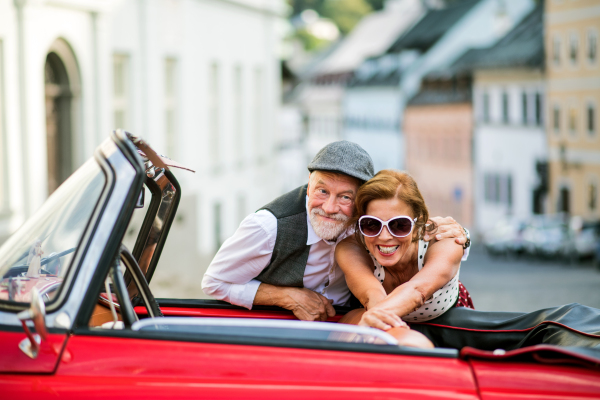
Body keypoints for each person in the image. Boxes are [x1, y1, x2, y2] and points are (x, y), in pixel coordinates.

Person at [202, 141, 469, 321]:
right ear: (308, 185)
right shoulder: (267, 227)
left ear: (362, 203)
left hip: (368, 319)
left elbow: (406, 223)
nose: (329, 207)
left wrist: (460, 234)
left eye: (345, 197)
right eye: (321, 191)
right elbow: (213, 282)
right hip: (302, 328)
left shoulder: (370, 224)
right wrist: (287, 297)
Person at [336, 169, 474, 333]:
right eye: (372, 224)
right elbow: (372, 295)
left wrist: (377, 315)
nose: (385, 236)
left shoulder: (444, 239)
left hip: (447, 325)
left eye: (399, 225)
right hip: (384, 324)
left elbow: (418, 290)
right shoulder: (351, 248)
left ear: (418, 225)